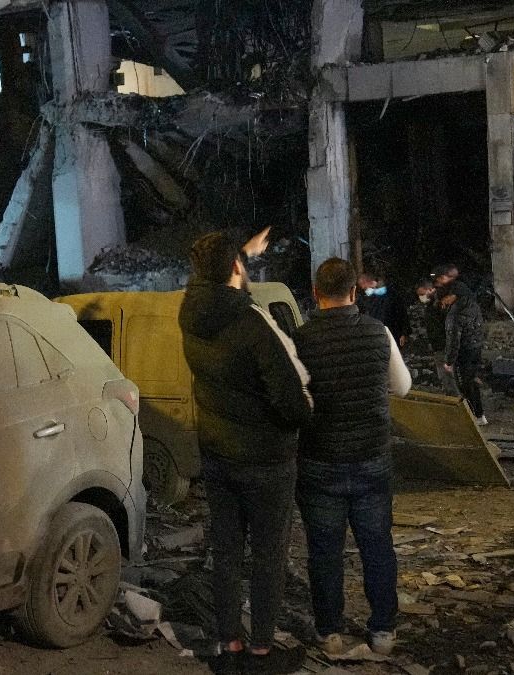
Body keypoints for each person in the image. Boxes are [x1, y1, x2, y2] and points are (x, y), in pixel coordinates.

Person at [178, 228, 313, 675]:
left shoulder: (191, 313)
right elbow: (292, 401)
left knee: (227, 552)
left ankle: (228, 645)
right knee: (268, 555)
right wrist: (303, 414)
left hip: (218, 454)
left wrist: (241, 252)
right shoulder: (252, 323)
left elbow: (216, 284)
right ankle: (261, 652)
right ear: (236, 267)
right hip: (264, 460)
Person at [292, 258, 412, 658]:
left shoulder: (301, 340)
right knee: (377, 546)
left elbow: (294, 398)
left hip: (319, 460)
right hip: (371, 457)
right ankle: (383, 631)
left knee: (324, 552)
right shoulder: (378, 332)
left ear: (315, 293)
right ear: (354, 291)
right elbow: (403, 387)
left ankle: (329, 631)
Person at [432, 265, 486, 426]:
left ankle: (474, 417)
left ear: (449, 297)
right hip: (476, 347)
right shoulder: (472, 304)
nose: (443, 304)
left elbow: (453, 340)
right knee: (472, 381)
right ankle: (479, 414)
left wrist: (448, 362)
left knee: (465, 385)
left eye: (443, 300)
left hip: (464, 352)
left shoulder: (454, 315)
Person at [357, 271, 408, 346]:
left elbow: (401, 312)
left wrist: (403, 332)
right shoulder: (368, 298)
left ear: (369, 282)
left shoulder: (391, 294)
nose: (362, 288)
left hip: (392, 332)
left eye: (363, 285)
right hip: (378, 334)